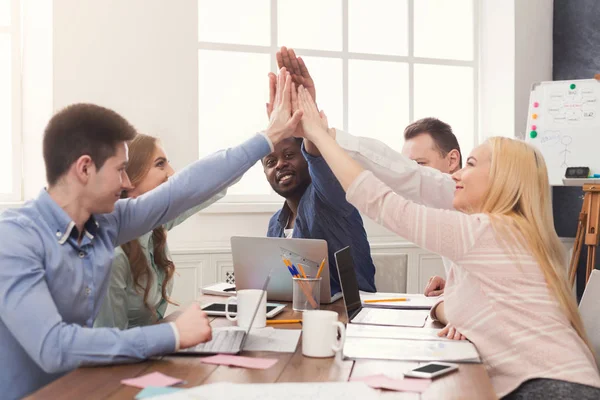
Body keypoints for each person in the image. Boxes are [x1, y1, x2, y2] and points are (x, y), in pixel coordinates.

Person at [0, 68, 302, 399]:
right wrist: (172, 334)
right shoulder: (14, 238)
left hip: (90, 386)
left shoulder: (105, 224)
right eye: (119, 171)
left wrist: (267, 138)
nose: (128, 184)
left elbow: (182, 190)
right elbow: (53, 347)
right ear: (85, 169)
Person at [295, 84, 600, 399]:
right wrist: (452, 306)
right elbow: (465, 309)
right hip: (556, 383)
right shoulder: (511, 233)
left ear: (504, 179)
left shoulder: (486, 231)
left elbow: (383, 203)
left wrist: (320, 136)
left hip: (551, 389)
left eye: (470, 164)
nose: (455, 176)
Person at [274, 46, 462, 298]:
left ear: (453, 161)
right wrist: (456, 286)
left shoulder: (464, 202)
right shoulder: (439, 213)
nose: (404, 176)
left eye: (420, 163)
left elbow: (401, 179)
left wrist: (319, 132)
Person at [263, 55, 376, 293]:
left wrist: (308, 127)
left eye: (289, 155)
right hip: (299, 315)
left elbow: (318, 157)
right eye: (271, 161)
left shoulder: (329, 195)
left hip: (349, 315)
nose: (280, 165)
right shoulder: (276, 223)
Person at [94, 134, 225, 329]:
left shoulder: (155, 227)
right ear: (129, 179)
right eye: (160, 164)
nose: (171, 173)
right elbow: (110, 349)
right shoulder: (111, 256)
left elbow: (207, 189)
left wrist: (267, 141)